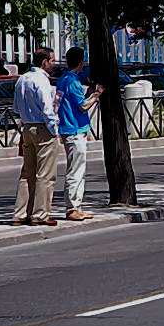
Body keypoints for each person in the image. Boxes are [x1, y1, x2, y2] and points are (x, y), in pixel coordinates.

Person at [12, 47, 60, 226]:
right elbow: (47, 109)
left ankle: (20, 213)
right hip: (42, 129)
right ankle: (40, 214)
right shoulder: (42, 81)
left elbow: (16, 108)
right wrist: (54, 130)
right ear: (44, 62)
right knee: (45, 174)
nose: (54, 64)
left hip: (27, 127)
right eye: (52, 61)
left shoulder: (22, 79)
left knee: (27, 173)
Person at [56, 47, 102, 221]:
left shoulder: (62, 80)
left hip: (68, 128)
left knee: (74, 168)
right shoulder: (73, 81)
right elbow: (82, 106)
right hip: (75, 129)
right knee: (76, 170)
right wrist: (96, 95)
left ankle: (75, 206)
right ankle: (73, 208)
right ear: (81, 62)